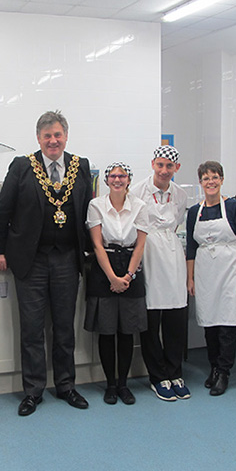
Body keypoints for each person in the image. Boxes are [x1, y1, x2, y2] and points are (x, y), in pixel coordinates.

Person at [0, 110, 92, 416]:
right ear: (38, 138)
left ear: (66, 137)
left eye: (58, 135)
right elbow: (3, 210)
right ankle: (33, 391)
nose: (53, 141)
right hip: (30, 261)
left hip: (67, 258)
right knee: (32, 329)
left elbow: (89, 210)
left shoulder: (80, 166)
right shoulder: (23, 166)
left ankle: (66, 385)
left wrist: (90, 251)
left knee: (64, 327)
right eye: (47, 135)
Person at [186, 161, 236, 396]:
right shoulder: (195, 211)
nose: (210, 182)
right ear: (201, 183)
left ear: (222, 180)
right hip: (205, 272)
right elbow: (191, 248)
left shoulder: (234, 207)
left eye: (215, 177)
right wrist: (190, 278)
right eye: (206, 178)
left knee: (227, 323)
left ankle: (224, 371)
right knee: (210, 323)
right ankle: (213, 367)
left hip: (231, 270)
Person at [85, 163, 148, 405]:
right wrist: (112, 277)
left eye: (122, 176)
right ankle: (110, 384)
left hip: (131, 267)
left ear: (129, 180)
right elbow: (98, 244)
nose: (117, 180)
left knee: (126, 332)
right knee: (107, 330)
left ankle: (123, 384)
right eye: (113, 176)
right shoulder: (96, 205)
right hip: (104, 270)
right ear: (107, 180)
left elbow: (140, 245)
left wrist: (128, 277)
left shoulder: (140, 207)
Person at [132, 145, 191, 401]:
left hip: (173, 253)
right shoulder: (138, 191)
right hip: (149, 253)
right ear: (152, 164)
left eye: (170, 166)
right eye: (160, 165)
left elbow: (177, 222)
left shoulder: (180, 195)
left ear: (176, 168)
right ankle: (158, 376)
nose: (164, 170)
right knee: (151, 317)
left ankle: (175, 371)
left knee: (176, 317)